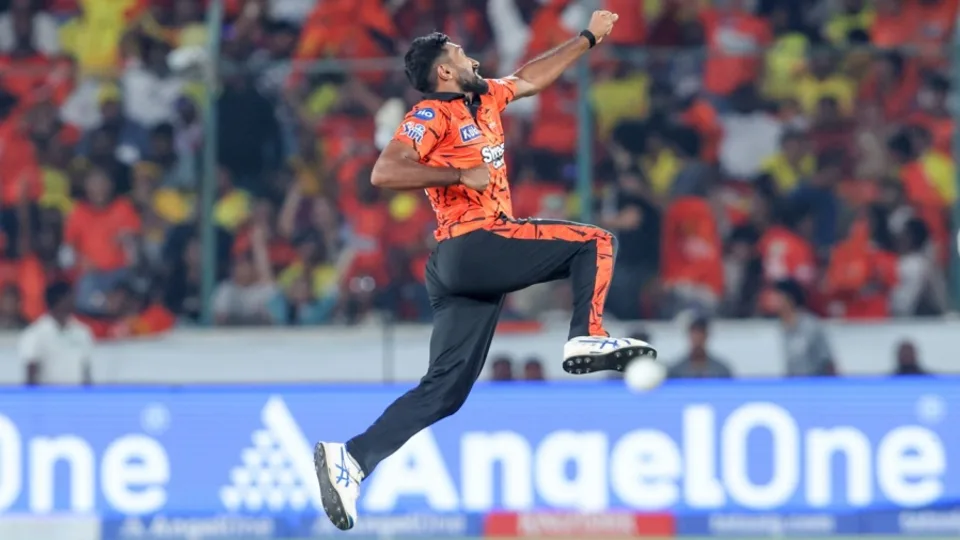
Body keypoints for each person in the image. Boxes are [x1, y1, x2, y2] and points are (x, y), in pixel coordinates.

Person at [312, 11, 656, 531]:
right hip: (473, 243)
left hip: (464, 267)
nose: (471, 57)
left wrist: (587, 38)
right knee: (596, 241)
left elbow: (530, 78)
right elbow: (384, 171)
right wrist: (458, 173)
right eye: (459, 53)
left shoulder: (488, 97)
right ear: (444, 71)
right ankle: (586, 335)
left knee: (445, 392)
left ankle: (352, 459)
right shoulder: (431, 113)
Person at [18, 282, 95, 385]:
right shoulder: (35, 334)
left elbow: (86, 371)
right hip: (47, 393)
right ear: (59, 300)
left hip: (76, 393)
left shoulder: (82, 332)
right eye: (70, 297)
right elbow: (31, 373)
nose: (74, 301)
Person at [770, 279, 835, 377]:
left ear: (789, 299)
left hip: (812, 382)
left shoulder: (810, 326)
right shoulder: (777, 329)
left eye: (777, 297)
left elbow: (827, 362)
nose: (773, 301)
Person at [667, 314, 733, 379]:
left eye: (701, 333)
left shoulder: (721, 371)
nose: (698, 338)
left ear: (706, 336)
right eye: (694, 334)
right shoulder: (676, 372)